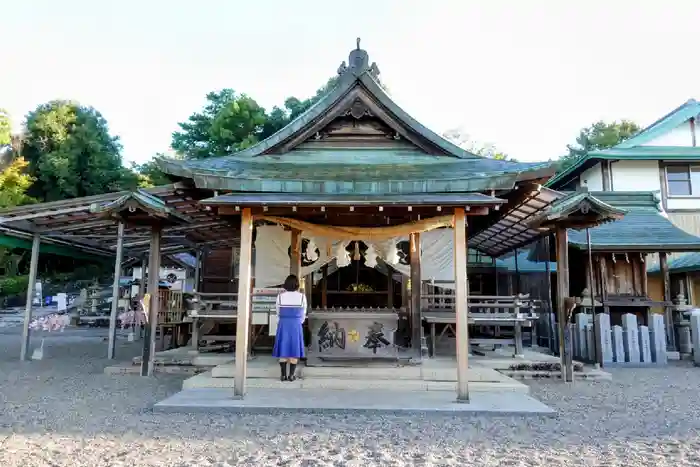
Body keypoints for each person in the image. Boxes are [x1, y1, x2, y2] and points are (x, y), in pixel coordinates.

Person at [272, 274, 307, 381]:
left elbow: (277, 312)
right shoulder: (302, 297)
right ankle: (291, 375)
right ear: (297, 284)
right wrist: (298, 322)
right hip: (296, 325)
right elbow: (303, 313)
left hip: (283, 324)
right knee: (294, 350)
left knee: (283, 349)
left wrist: (282, 320)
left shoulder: (280, 296)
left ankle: (283, 375)